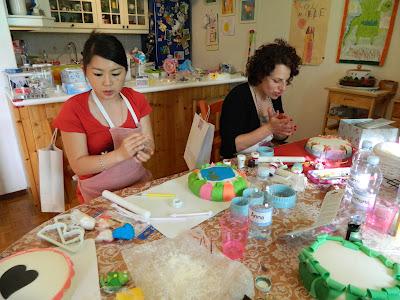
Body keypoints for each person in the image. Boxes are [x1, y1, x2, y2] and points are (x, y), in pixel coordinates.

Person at [53, 32, 154, 203]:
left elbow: (150, 143)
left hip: (138, 188)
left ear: (126, 71)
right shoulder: (74, 109)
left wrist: (145, 150)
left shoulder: (136, 100)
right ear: (85, 72)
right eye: (98, 74)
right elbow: (78, 166)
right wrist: (120, 155)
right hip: (98, 197)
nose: (107, 82)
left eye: (115, 73)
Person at [220, 39, 301, 158]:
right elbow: (230, 146)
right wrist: (269, 127)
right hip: (237, 161)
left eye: (286, 81)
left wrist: (282, 129)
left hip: (263, 156)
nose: (283, 88)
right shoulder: (238, 97)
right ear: (260, 74)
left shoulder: (274, 95)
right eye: (276, 81)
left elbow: (277, 137)